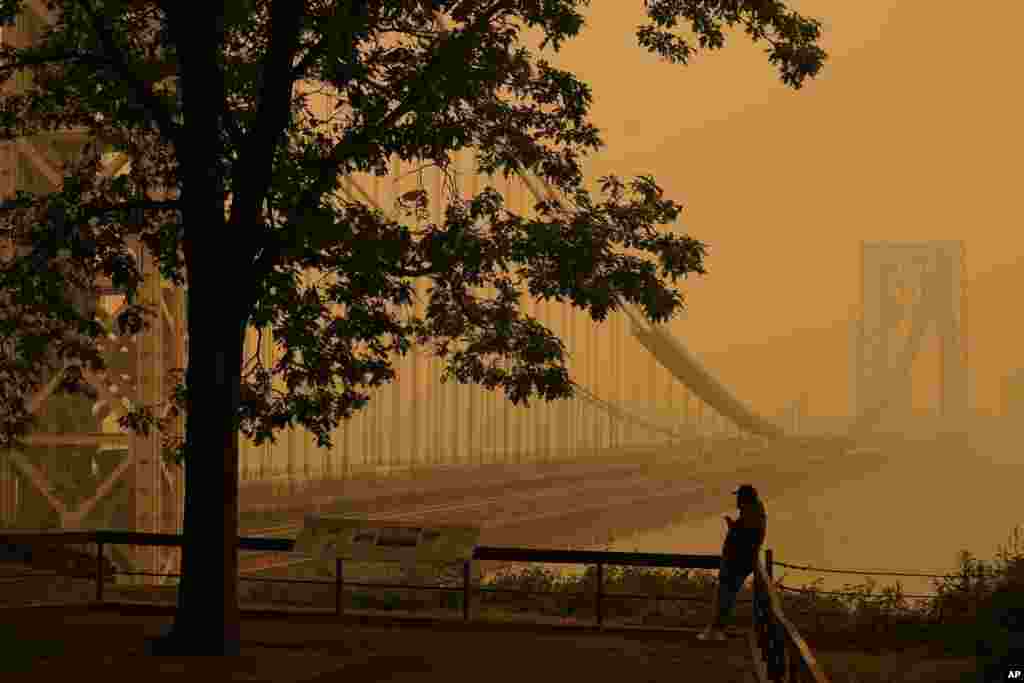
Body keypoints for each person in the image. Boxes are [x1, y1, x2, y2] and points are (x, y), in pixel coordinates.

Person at [698, 483, 768, 641]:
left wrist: (733, 528)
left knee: (725, 596)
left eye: (738, 496)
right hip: (738, 562)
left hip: (736, 563)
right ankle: (716, 629)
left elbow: (746, 539)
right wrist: (734, 526)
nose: (736, 500)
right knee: (725, 596)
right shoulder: (753, 512)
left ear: (744, 498)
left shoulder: (752, 514)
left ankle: (716, 630)